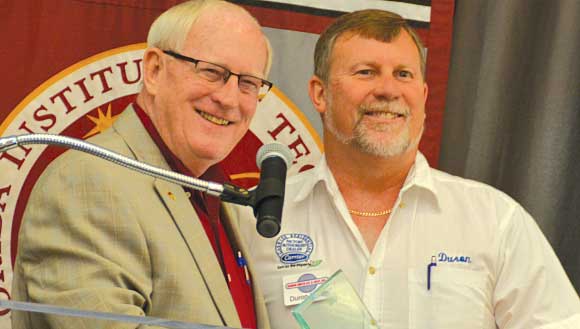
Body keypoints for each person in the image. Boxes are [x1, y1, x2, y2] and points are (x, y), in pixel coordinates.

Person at [237, 9, 580, 329]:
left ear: (424, 94)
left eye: (403, 74)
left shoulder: (495, 221)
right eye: (366, 72)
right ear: (320, 93)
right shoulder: (255, 221)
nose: (388, 90)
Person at [12, 1, 273, 328]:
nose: (230, 99)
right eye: (211, 72)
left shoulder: (219, 198)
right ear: (153, 70)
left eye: (248, 83)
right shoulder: (86, 183)